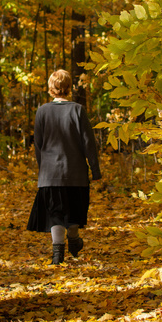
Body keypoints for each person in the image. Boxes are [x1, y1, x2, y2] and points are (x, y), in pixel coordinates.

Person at [26, 69, 101, 265]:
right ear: (69, 88)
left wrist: (43, 169)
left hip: (50, 175)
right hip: (75, 173)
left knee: (55, 213)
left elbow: (39, 145)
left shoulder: (42, 111)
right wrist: (95, 169)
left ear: (51, 88)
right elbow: (88, 143)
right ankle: (74, 239)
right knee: (74, 211)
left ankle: (58, 254)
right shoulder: (78, 110)